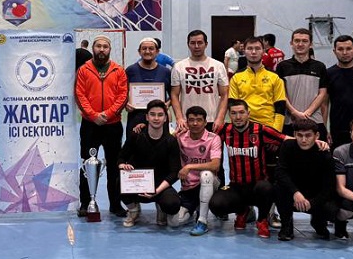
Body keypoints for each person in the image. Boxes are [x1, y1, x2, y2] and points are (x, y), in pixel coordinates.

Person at [210, 99, 288, 238]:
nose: (238, 117)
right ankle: (242, 211)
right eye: (234, 113)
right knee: (216, 205)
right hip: (236, 186)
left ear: (248, 113)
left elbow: (285, 139)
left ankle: (262, 220)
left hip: (257, 187)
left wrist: (316, 142)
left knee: (267, 188)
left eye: (241, 112)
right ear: (229, 115)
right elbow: (204, 139)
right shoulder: (225, 130)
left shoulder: (260, 130)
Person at [74, 34, 128, 217]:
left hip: (113, 125)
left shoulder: (118, 70)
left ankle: (115, 204)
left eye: (105, 46)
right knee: (87, 164)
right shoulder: (84, 70)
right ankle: (86, 203)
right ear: (93, 48)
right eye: (98, 46)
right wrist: (94, 116)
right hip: (90, 125)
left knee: (114, 165)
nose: (102, 49)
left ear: (110, 49)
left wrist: (108, 114)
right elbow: (80, 94)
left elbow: (123, 95)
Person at [117, 100, 182, 228]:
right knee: (119, 181)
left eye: (160, 115)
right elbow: (121, 157)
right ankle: (134, 210)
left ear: (165, 118)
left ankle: (161, 207)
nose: (156, 118)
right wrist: (122, 166)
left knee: (173, 204)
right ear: (147, 117)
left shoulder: (171, 141)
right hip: (137, 182)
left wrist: (157, 191)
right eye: (152, 114)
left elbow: (174, 172)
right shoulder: (136, 136)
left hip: (160, 185)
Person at [273, 119, 336, 241]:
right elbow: (280, 173)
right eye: (300, 135)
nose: (303, 140)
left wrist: (312, 203)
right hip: (294, 194)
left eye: (308, 136)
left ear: (316, 136)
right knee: (278, 188)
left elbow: (329, 186)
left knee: (332, 208)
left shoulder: (324, 154)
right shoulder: (287, 146)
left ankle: (318, 223)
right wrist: (295, 193)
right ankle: (286, 225)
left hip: (315, 195)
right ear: (294, 134)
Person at [170, 30, 229, 132]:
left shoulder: (218, 66)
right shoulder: (179, 67)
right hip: (187, 120)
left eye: (200, 43)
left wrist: (220, 118)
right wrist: (179, 118)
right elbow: (174, 95)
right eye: (193, 43)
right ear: (188, 45)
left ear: (206, 44)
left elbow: (224, 95)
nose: (196, 46)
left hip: (212, 119)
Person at [176, 106, 222, 236]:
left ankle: (202, 221)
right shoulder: (180, 137)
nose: (195, 123)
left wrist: (189, 167)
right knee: (175, 222)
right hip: (188, 188)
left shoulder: (213, 138)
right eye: (191, 120)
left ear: (205, 122)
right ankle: (194, 207)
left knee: (206, 174)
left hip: (210, 183)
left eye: (199, 120)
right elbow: (164, 143)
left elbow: (215, 165)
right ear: (187, 122)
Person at [276, 28, 329, 139]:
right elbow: (281, 93)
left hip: (315, 120)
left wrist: (307, 113)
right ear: (291, 43)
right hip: (290, 121)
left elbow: (322, 93)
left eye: (304, 41)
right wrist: (294, 112)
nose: (300, 44)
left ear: (311, 44)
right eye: (297, 41)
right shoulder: (282, 66)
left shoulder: (320, 67)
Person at [229, 37, 286, 132]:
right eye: (250, 48)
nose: (253, 52)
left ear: (263, 51)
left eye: (257, 48)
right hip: (244, 129)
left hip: (269, 128)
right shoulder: (236, 77)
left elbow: (280, 107)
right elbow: (233, 107)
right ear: (244, 51)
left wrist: (276, 132)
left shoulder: (275, 77)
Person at [124, 37, 171, 138]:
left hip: (158, 118)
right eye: (144, 48)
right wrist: (125, 103)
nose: (147, 51)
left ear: (157, 52)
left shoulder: (166, 72)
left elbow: (174, 95)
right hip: (136, 117)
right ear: (139, 51)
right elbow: (122, 93)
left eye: (151, 48)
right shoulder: (130, 70)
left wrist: (167, 104)